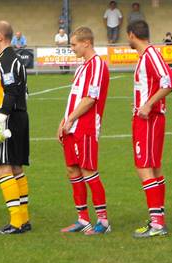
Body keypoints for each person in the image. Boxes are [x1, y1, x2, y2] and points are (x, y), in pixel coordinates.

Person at [126, 20, 172, 238]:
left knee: (144, 167)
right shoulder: (145, 56)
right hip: (146, 117)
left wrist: (147, 105)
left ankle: (157, 223)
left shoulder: (151, 55)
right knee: (153, 167)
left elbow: (170, 81)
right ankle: (158, 217)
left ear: (131, 35)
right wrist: (140, 103)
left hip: (150, 119)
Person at [57, 27, 111, 235]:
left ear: (86, 42)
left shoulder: (97, 65)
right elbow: (75, 98)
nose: (71, 48)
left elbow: (90, 99)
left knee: (89, 171)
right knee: (72, 169)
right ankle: (83, 219)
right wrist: (63, 122)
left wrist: (70, 119)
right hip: (71, 126)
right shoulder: (82, 68)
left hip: (85, 127)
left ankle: (103, 222)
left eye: (74, 44)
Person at [0, 21, 31, 234]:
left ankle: (15, 223)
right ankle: (24, 219)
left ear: (0, 37)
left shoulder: (6, 60)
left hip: (8, 117)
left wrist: (1, 119)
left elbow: (12, 91)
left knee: (2, 167)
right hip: (19, 116)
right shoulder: (14, 59)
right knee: (16, 168)